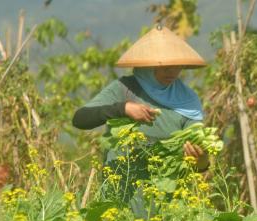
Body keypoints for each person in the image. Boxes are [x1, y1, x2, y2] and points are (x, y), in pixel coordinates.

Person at [72, 25, 208, 208]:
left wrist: (200, 159)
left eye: (178, 66)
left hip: (165, 200)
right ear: (147, 65)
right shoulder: (124, 89)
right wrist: (123, 109)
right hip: (119, 191)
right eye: (166, 67)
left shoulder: (187, 100)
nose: (173, 73)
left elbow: (198, 163)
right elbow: (80, 119)